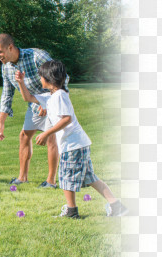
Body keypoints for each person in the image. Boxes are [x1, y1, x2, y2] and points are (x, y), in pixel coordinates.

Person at [18, 59, 128, 218]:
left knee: (65, 177)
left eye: (41, 76)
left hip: (73, 145)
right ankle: (116, 206)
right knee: (90, 178)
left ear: (49, 78)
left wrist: (46, 133)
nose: (39, 79)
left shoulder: (60, 96)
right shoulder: (51, 97)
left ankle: (71, 211)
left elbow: (66, 119)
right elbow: (27, 98)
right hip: (78, 144)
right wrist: (21, 82)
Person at [0, 33, 64, 188]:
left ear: (10, 47)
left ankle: (51, 181)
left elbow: (61, 79)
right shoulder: (6, 68)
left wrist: (48, 103)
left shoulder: (37, 56)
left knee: (51, 138)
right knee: (24, 136)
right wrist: (1, 122)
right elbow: (7, 94)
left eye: (0, 52)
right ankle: (22, 178)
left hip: (54, 102)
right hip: (33, 105)